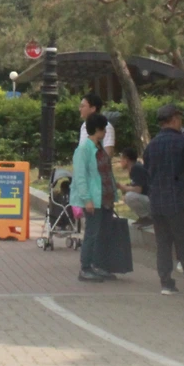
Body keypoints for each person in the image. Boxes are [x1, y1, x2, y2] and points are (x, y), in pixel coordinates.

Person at [145, 103, 184, 296]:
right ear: (174, 119)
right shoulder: (183, 143)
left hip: (157, 203)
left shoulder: (151, 146)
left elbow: (148, 174)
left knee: (163, 244)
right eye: (180, 118)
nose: (181, 122)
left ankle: (166, 283)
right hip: (179, 202)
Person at [70, 113, 117, 283]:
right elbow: (80, 177)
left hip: (105, 197)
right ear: (98, 129)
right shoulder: (84, 149)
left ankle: (98, 265)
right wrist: (87, 199)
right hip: (94, 199)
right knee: (92, 233)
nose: (105, 132)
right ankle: (85, 267)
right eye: (103, 129)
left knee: (102, 233)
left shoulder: (99, 148)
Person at [119, 147, 152, 229]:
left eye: (121, 158)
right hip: (149, 200)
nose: (120, 161)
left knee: (129, 196)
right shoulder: (135, 167)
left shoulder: (136, 168)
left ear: (127, 159)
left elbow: (138, 189)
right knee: (127, 195)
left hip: (152, 201)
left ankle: (148, 218)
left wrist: (121, 186)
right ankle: (143, 217)